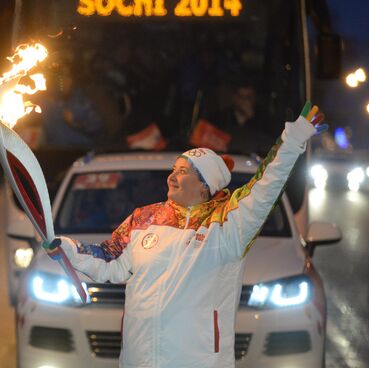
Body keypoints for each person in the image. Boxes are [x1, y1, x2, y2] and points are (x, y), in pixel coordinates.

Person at [45, 104, 325, 367]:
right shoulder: (145, 218)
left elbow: (266, 187)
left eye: (183, 172)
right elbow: (109, 258)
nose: (172, 177)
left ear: (205, 186)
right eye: (173, 170)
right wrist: (67, 249)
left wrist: (293, 139)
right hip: (138, 361)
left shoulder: (227, 226)